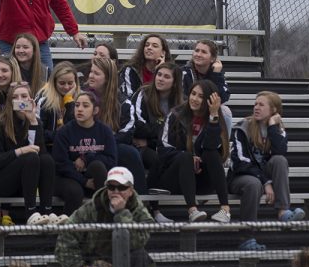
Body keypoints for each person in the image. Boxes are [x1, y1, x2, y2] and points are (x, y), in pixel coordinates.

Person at [54, 166, 154, 267]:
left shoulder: (140, 212)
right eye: (111, 187)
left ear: (131, 190)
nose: (115, 192)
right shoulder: (91, 208)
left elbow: (137, 242)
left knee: (140, 254)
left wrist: (121, 213)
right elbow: (65, 238)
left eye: (121, 188)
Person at [229, 90, 305, 250]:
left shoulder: (279, 130)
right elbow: (241, 162)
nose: (256, 107)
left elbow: (279, 153)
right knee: (253, 184)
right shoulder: (242, 128)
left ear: (274, 110)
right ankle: (246, 238)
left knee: (280, 160)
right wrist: (266, 182)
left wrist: (272, 127)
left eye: (261, 105)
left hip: (262, 176)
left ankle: (283, 211)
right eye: (255, 104)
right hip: (241, 176)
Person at [0, 81, 62, 225]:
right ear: (10, 101)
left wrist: (33, 122)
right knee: (30, 158)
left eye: (24, 96)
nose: (21, 100)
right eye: (16, 97)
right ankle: (31, 213)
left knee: (47, 160)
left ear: (31, 99)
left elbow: (41, 154)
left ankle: (47, 211)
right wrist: (19, 151)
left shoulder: (35, 121)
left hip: (25, 181)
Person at [158, 79, 230, 223]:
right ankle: (192, 210)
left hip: (202, 181)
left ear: (210, 100)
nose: (195, 99)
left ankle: (225, 209)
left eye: (201, 96)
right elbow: (163, 149)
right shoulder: (176, 115)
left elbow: (213, 147)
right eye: (193, 94)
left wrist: (213, 117)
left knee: (211, 153)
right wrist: (190, 158)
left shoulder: (215, 118)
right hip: (176, 177)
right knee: (185, 157)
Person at [121, 61, 182, 223]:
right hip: (143, 148)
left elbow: (176, 133)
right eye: (159, 75)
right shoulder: (143, 94)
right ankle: (153, 209)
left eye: (166, 77)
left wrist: (150, 139)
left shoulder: (180, 102)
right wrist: (158, 135)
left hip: (159, 147)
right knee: (154, 159)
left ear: (175, 82)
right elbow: (138, 126)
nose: (160, 79)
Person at [86, 56, 148, 196]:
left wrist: (104, 143)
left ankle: (142, 201)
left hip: (109, 148)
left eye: (96, 73)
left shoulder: (123, 102)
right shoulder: (83, 98)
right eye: (91, 72)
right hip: (86, 148)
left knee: (129, 152)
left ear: (107, 78)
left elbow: (126, 133)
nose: (91, 76)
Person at [53, 91, 118, 214]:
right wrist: (84, 182)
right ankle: (70, 230)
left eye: (85, 106)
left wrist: (86, 158)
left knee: (98, 166)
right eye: (77, 105)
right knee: (75, 192)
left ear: (95, 110)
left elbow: (111, 161)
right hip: (68, 178)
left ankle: (105, 221)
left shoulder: (105, 131)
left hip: (95, 179)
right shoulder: (64, 132)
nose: (80, 109)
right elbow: (61, 164)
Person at [37, 61, 79, 150]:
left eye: (70, 83)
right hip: (49, 148)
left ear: (76, 83)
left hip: (72, 149)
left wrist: (68, 100)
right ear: (54, 82)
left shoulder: (81, 99)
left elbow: (75, 129)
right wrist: (60, 135)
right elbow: (39, 133)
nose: (67, 87)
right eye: (62, 83)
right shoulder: (44, 100)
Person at [119, 33, 172, 100]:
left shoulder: (171, 73)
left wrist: (160, 70)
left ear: (163, 53)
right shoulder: (130, 70)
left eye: (155, 46)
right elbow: (129, 98)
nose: (149, 48)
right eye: (147, 45)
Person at [12, 32, 50, 97]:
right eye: (17, 47)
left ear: (34, 50)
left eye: (25, 47)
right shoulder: (9, 69)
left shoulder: (45, 71)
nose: (21, 50)